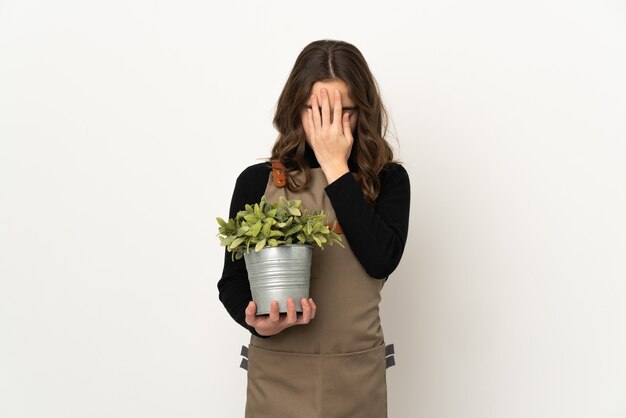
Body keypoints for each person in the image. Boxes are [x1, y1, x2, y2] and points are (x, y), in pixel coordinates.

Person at [217, 39, 411, 418]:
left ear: (363, 112)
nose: (327, 126)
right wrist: (254, 320)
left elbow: (380, 260)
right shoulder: (257, 181)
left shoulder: (389, 180)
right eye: (316, 111)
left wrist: (335, 165)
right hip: (277, 376)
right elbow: (233, 281)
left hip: (356, 379)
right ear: (295, 109)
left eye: (342, 112)